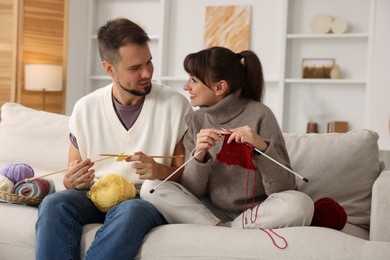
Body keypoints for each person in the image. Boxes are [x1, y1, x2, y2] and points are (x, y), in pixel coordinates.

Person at [35, 18, 192, 259]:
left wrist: (159, 170)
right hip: (96, 195)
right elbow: (71, 175)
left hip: (145, 199)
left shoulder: (175, 105)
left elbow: (188, 174)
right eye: (134, 68)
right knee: (55, 203)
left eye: (149, 62)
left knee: (130, 211)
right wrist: (73, 180)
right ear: (109, 69)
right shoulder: (85, 108)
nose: (147, 72)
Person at [141, 46, 314, 229]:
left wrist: (261, 148)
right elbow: (192, 191)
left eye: (193, 80)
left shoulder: (261, 115)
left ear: (220, 87)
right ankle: (220, 227)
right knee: (151, 187)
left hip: (259, 212)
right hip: (212, 211)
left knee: (301, 204)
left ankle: (227, 230)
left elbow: (284, 188)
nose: (186, 87)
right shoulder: (196, 120)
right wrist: (199, 155)